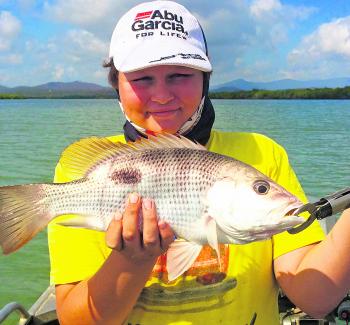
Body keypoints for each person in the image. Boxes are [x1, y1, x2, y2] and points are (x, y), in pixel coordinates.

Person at [47, 1, 350, 324]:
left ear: (205, 79)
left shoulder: (263, 154)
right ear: (116, 86)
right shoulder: (91, 169)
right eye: (142, 78)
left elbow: (314, 299)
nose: (162, 95)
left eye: (180, 75)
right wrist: (132, 261)